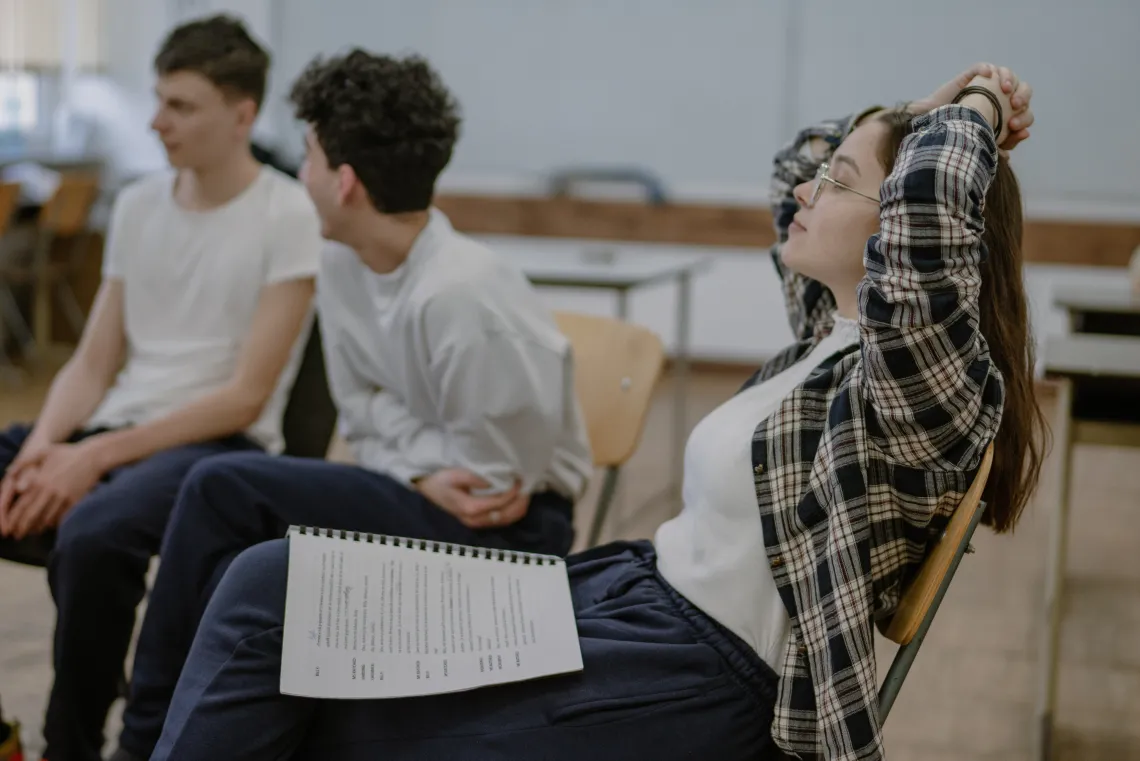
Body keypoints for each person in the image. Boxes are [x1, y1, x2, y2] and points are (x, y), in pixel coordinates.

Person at [141, 62, 1046, 761]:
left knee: (330, 710)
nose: (810, 194)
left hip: (705, 679)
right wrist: (916, 112)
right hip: (628, 599)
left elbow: (927, 209)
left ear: (899, 219)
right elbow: (795, 166)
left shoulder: (921, 384)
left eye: (843, 182)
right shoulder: (827, 332)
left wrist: (972, 109)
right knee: (268, 583)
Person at [107, 51, 593, 761]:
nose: (296, 174)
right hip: (425, 490)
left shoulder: (464, 298)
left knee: (222, 487)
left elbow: (489, 485)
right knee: (227, 525)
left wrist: (407, 455)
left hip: (514, 535)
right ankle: (180, 734)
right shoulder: (339, 258)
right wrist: (418, 464)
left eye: (306, 154)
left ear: (343, 181)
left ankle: (142, 741)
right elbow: (360, 412)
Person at [0, 15, 322, 761]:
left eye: (180, 105)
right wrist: (46, 446)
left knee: (92, 534)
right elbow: (91, 361)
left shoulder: (288, 214)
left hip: (215, 445)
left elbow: (246, 397)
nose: (155, 121)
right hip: (119, 430)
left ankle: (70, 746)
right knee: (47, 489)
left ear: (242, 114)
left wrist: (93, 456)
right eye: (158, 99)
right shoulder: (142, 205)